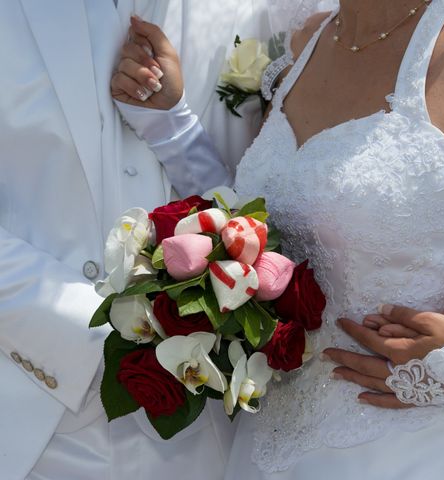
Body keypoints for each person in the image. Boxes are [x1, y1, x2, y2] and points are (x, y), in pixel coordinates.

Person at [118, 0, 444, 477]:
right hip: (269, 450)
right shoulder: (301, 46)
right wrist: (170, 124)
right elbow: (269, 229)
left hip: (433, 449)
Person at [0, 1, 270, 479]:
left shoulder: (270, 14)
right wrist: (90, 337)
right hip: (26, 422)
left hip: (213, 438)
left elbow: (286, 207)